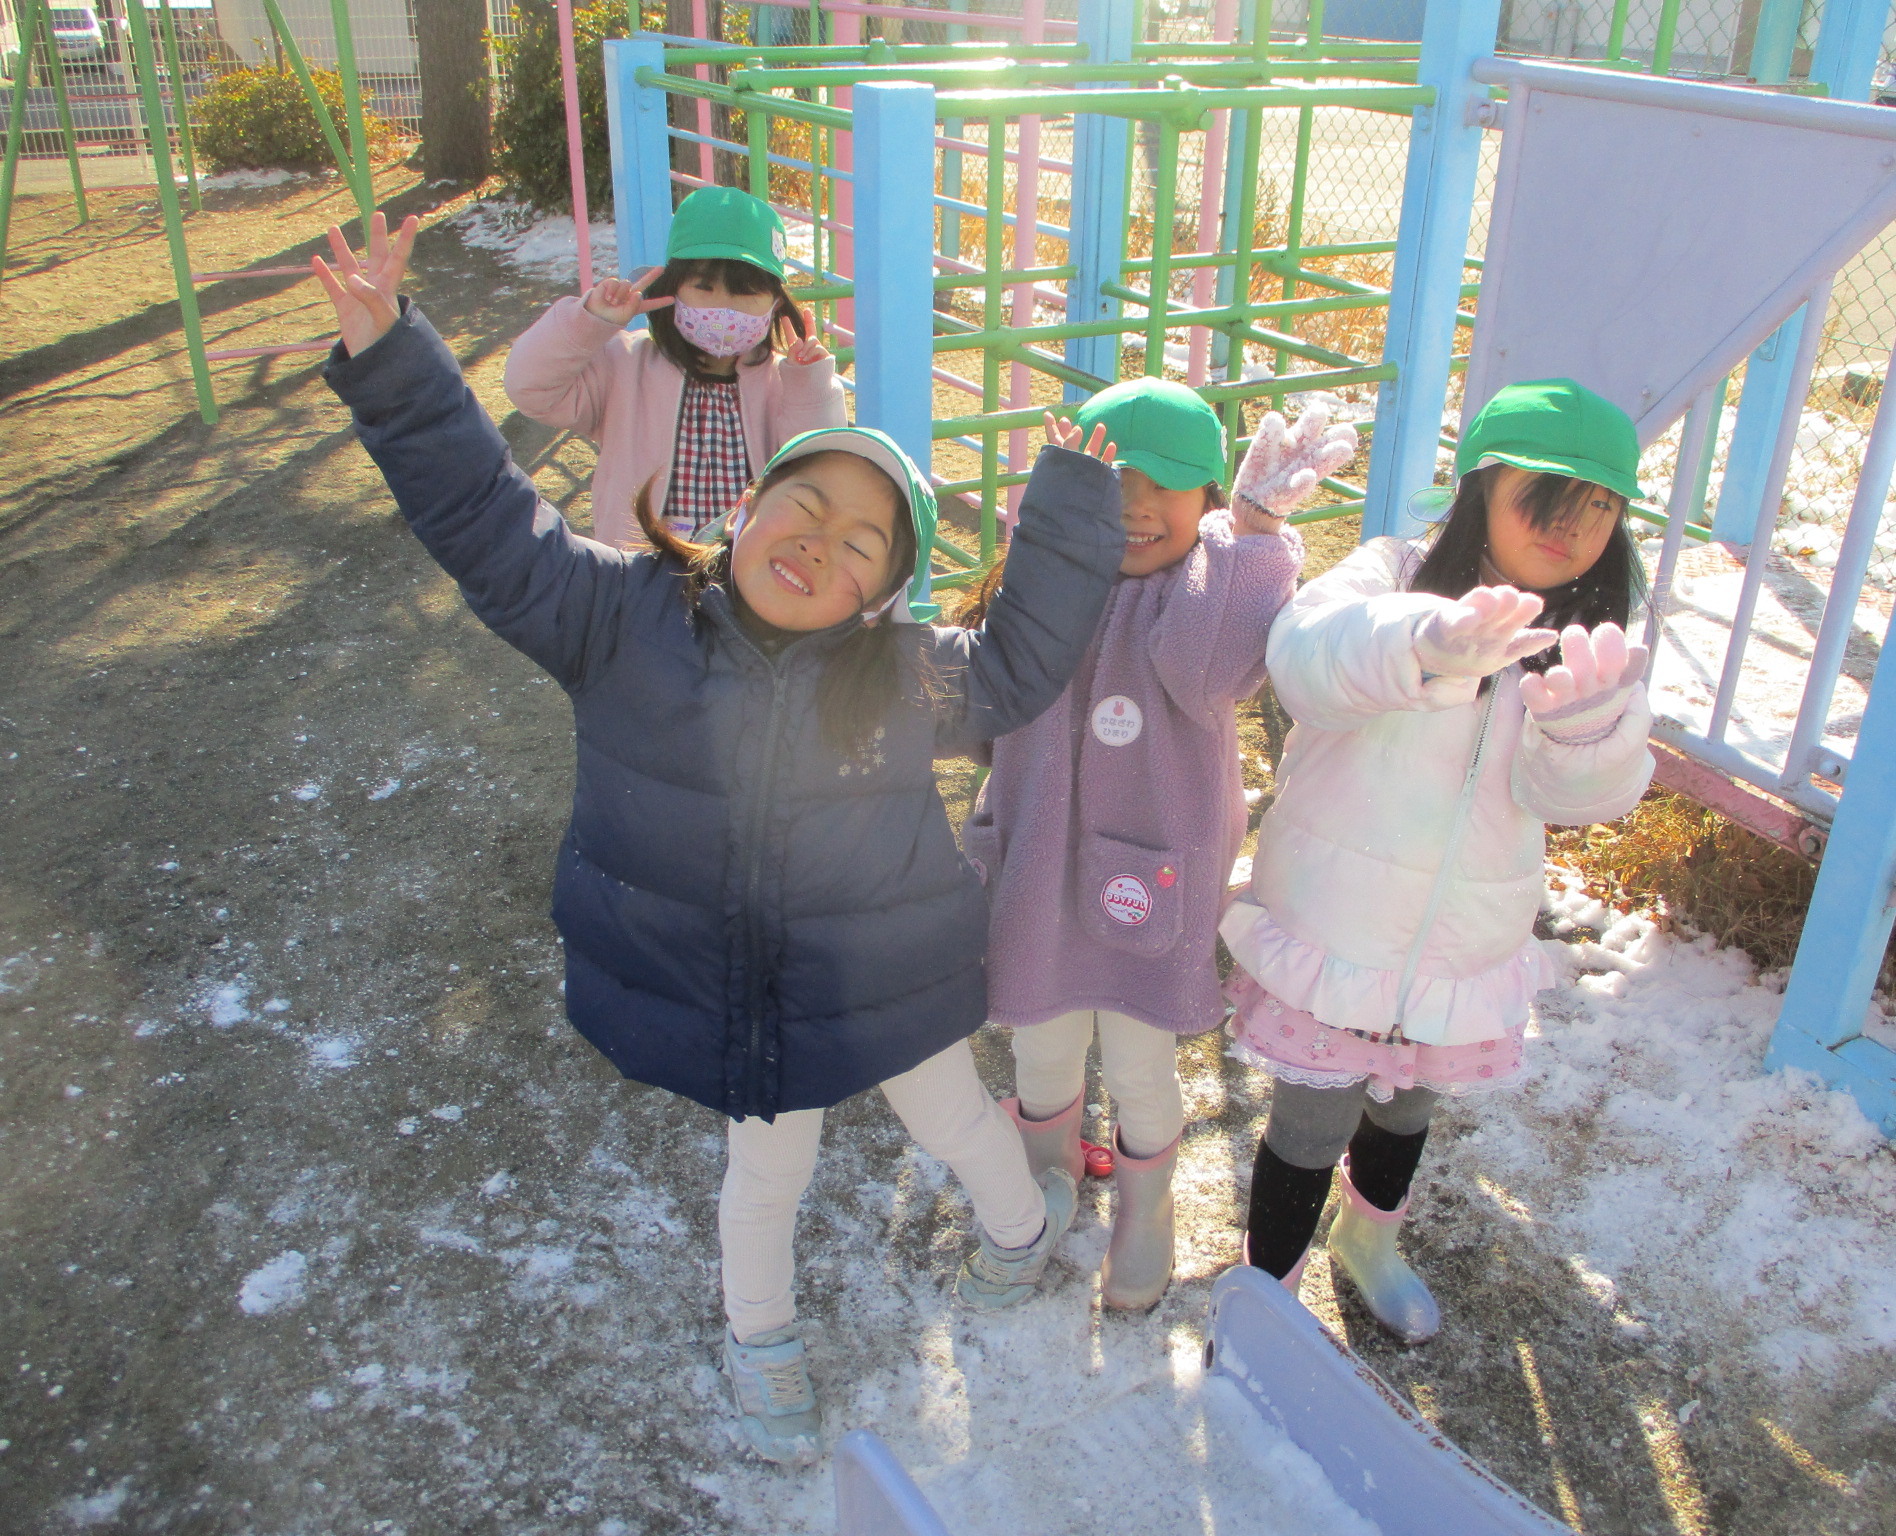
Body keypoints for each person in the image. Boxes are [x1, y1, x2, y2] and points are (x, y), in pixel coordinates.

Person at [312, 215, 1126, 1465]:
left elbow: (1019, 662)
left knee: (958, 1121)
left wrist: (1064, 511)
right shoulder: (614, 616)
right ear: (742, 506)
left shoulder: (899, 675)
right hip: (739, 996)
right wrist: (393, 362)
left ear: (881, 596)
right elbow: (485, 519)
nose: (819, 544)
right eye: (803, 506)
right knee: (765, 1181)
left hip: (881, 976)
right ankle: (762, 1341)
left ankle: (1019, 1235)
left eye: (860, 546)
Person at [1226, 378, 1655, 1342]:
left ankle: (1369, 1244)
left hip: (1465, 942)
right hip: (1338, 928)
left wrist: (1591, 741)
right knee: (1308, 1125)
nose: (1573, 527)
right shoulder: (1391, 572)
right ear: (1481, 488)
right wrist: (1421, 642)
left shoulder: (1586, 641)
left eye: (1600, 506)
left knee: (1408, 1111)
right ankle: (1267, 1298)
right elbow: (1305, 658)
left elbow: (1568, 800)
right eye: (1547, 497)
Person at [964, 378, 1355, 1310]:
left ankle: (1148, 1210)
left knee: (1141, 1064)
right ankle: (1048, 1170)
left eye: (1165, 487)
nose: (1136, 506)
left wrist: (1254, 535)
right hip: (1040, 866)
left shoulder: (1200, 594)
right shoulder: (1047, 581)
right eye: (1114, 482)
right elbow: (988, 699)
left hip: (1147, 879)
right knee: (1041, 1044)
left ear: (1206, 500)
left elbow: (1207, 665)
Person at [504, 186, 845, 549]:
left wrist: (810, 386)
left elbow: (820, 468)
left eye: (746, 292)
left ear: (776, 303)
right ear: (673, 289)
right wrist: (588, 323)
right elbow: (529, 387)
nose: (724, 307)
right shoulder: (624, 366)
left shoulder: (785, 382)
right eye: (704, 287)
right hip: (641, 570)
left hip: (746, 568)